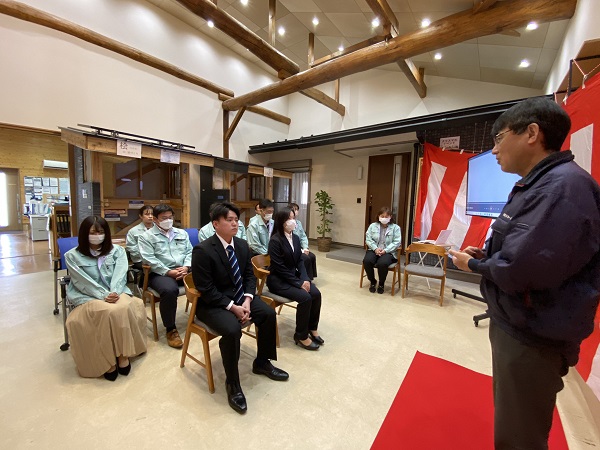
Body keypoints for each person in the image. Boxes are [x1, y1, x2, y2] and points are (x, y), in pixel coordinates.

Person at [448, 97, 600, 450]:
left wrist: (472, 265)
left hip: (533, 332)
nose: (495, 150)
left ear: (532, 133)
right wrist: (487, 254)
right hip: (519, 322)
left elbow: (524, 268)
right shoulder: (538, 184)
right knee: (514, 424)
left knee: (519, 436)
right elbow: (527, 248)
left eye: (499, 138)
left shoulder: (562, 188)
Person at [192, 202, 288, 414]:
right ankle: (232, 383)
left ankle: (262, 362)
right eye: (229, 220)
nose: (235, 223)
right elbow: (205, 288)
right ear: (216, 224)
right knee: (232, 329)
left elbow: (248, 276)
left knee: (267, 313)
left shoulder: (242, 245)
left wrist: (246, 299)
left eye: (236, 220)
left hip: (240, 297)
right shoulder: (203, 250)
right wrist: (232, 307)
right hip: (213, 303)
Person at [65, 216, 147, 381]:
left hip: (116, 292)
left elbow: (120, 273)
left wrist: (114, 292)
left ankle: (123, 354)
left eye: (101, 232)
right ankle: (107, 360)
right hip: (87, 296)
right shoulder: (72, 256)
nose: (97, 235)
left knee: (121, 308)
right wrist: (103, 295)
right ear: (83, 234)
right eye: (92, 232)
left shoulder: (118, 251)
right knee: (106, 311)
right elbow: (82, 281)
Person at [268, 208, 323, 351]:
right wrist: (299, 283)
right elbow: (279, 268)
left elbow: (300, 261)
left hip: (293, 277)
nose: (293, 221)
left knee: (316, 294)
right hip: (278, 280)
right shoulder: (275, 241)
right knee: (305, 298)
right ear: (281, 222)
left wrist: (305, 279)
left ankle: (312, 328)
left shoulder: (296, 238)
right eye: (289, 219)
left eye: (293, 218)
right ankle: (301, 335)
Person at [138, 204, 192, 348]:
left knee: (207, 277)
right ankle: (171, 329)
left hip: (183, 269)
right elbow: (149, 259)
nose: (168, 220)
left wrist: (186, 266)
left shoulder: (182, 233)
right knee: (169, 290)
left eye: (170, 217)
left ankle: (205, 315)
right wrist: (168, 272)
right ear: (155, 219)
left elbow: (190, 252)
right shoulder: (146, 237)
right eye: (164, 218)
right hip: (160, 273)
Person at [363, 207, 402, 294]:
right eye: (382, 216)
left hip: (388, 252)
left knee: (382, 263)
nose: (384, 218)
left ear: (390, 217)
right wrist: (375, 248)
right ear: (378, 216)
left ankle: (381, 284)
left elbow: (397, 242)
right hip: (374, 249)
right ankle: (373, 281)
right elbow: (368, 239)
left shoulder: (396, 228)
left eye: (386, 216)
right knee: (367, 261)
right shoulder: (372, 226)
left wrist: (386, 250)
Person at [125, 204, 154, 288]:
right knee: (152, 267)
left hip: (157, 257)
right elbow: (131, 249)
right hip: (140, 259)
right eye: (147, 214)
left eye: (152, 214)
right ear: (141, 216)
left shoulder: (159, 229)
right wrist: (147, 254)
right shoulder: (133, 231)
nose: (150, 216)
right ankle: (144, 289)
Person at [289, 202, 317, 280]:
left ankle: (310, 277)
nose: (296, 211)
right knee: (305, 258)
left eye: (297, 210)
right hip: (293, 249)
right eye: (294, 210)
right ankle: (304, 278)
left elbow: (303, 237)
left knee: (312, 256)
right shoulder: (287, 223)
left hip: (300, 247)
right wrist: (300, 250)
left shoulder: (298, 223)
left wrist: (305, 248)